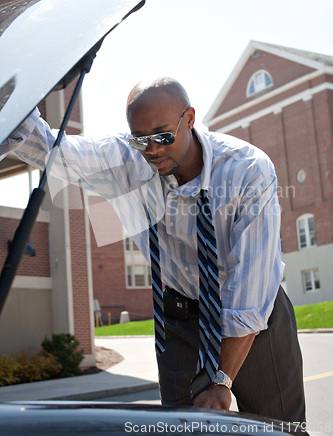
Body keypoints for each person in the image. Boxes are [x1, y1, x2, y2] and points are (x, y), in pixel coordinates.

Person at [0, 77, 306, 423]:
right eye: (140, 139)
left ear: (189, 119)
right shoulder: (130, 159)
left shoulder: (247, 170)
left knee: (282, 427)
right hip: (181, 317)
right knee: (179, 428)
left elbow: (250, 288)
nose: (153, 150)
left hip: (256, 321)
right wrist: (10, 98)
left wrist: (221, 379)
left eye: (163, 136)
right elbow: (58, 152)